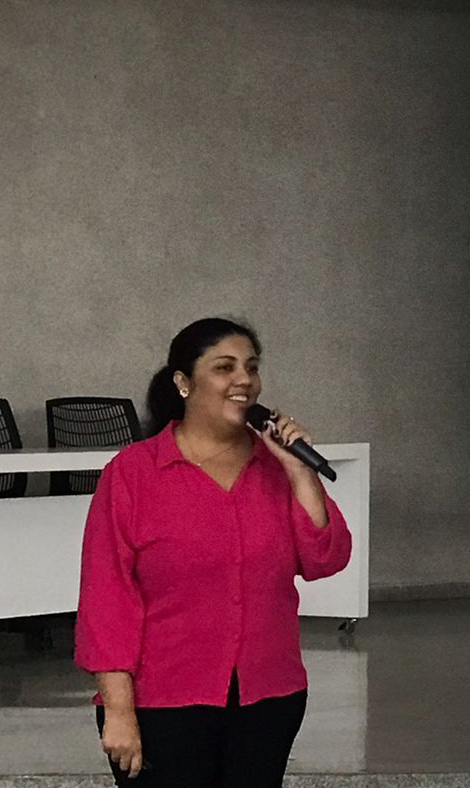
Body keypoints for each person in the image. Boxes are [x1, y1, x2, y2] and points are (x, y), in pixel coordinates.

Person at [75, 317, 352, 786]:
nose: (244, 380)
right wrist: (118, 710)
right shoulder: (134, 474)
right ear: (184, 383)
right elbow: (108, 600)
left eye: (251, 367)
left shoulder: (276, 470)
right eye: (225, 368)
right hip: (162, 703)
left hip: (269, 698)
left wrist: (298, 472)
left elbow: (325, 559)